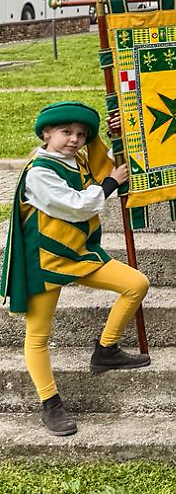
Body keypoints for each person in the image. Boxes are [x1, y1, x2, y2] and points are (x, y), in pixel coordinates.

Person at [1, 102, 149, 436]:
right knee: (38, 335)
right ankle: (50, 403)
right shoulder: (39, 173)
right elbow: (77, 206)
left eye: (81, 134)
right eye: (66, 132)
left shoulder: (78, 158)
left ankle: (106, 349)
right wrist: (110, 184)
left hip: (78, 252)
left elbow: (109, 164)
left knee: (136, 284)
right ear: (46, 133)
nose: (74, 139)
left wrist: (115, 133)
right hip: (43, 259)